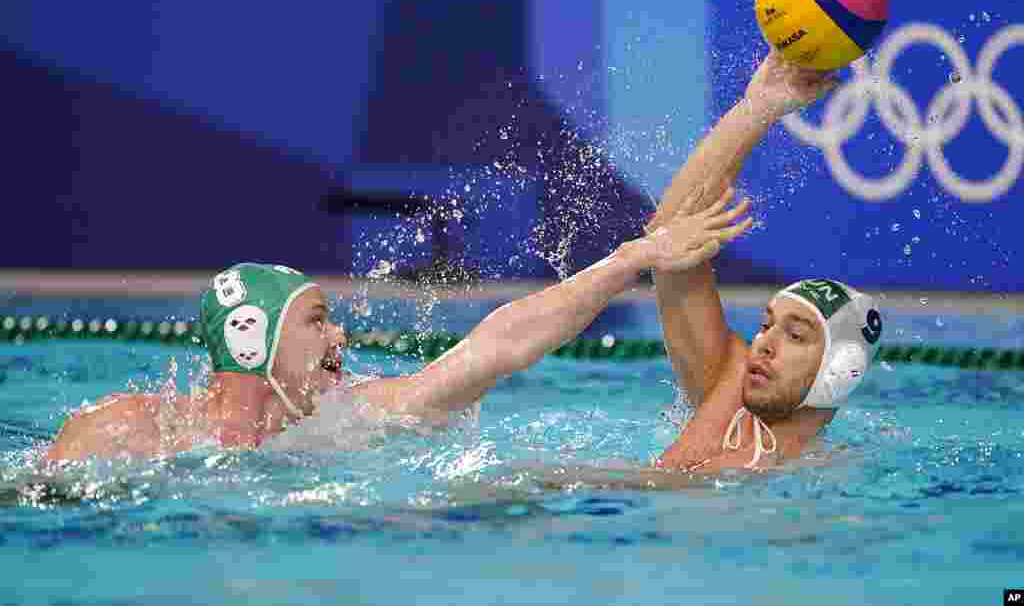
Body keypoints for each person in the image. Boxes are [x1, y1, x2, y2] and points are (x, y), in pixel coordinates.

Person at [44, 193, 753, 462]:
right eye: (318, 320)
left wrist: (633, 257)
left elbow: (497, 345)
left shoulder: (351, 418)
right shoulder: (120, 432)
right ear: (253, 339)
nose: (341, 338)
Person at [645, 47, 884, 474]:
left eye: (795, 335)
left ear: (840, 370)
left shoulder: (828, 487)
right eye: (765, 325)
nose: (764, 344)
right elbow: (670, 242)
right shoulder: (730, 387)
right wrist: (758, 109)